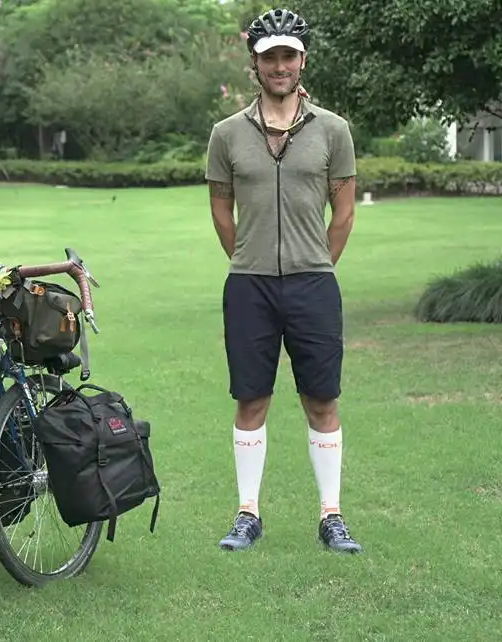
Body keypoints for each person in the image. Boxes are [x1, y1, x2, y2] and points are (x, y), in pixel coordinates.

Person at [203, 8, 362, 553]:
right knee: (251, 399)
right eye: (269, 56)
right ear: (254, 62)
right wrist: (247, 258)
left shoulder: (333, 130)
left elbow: (343, 212)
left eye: (287, 55)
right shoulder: (226, 134)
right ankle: (247, 513)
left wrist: (317, 263)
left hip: (313, 285)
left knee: (322, 400)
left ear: (302, 60)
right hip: (248, 286)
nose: (279, 65)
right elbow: (220, 210)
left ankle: (331, 515)